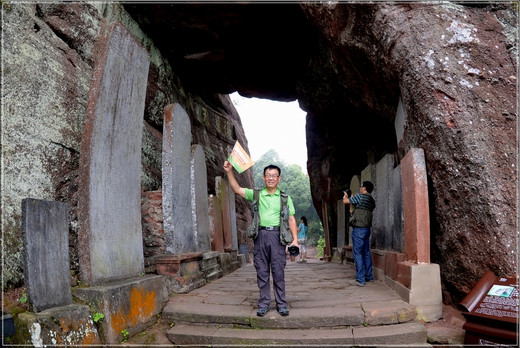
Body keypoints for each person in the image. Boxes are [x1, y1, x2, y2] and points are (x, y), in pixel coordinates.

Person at [223, 160, 299, 317]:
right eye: (268, 175)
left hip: (278, 237)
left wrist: (295, 240)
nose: (271, 178)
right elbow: (237, 189)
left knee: (278, 272)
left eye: (274, 175)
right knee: (262, 272)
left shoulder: (285, 198)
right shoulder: (256, 194)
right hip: (260, 236)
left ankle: (282, 304)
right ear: (263, 178)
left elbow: (291, 219)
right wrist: (229, 171)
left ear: (279, 178)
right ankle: (264, 304)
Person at [343, 181, 376, 287]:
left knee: (357, 253)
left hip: (358, 229)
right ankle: (369, 276)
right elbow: (357, 210)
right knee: (366, 252)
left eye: (361, 187)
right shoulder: (371, 200)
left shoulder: (360, 196)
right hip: (367, 229)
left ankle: (360, 279)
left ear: (364, 188)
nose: (360, 188)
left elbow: (346, 201)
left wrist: (346, 196)